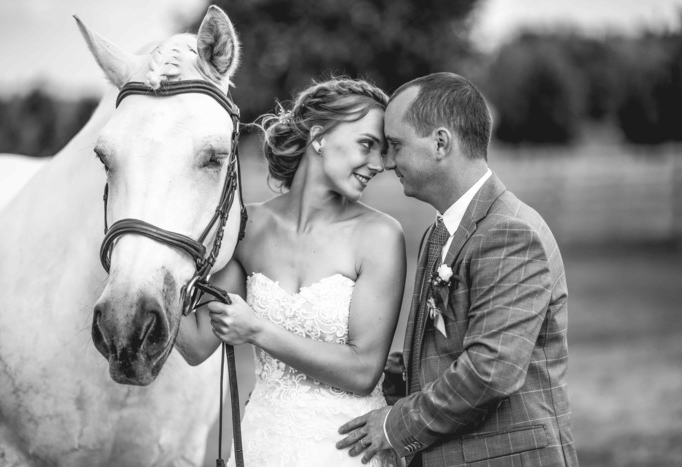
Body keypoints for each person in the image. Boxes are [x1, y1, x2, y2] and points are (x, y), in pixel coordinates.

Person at [337, 72, 579, 466]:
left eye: (396, 145)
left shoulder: (509, 232)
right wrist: (352, 375)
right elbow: (440, 351)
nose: (387, 162)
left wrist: (394, 426)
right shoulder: (440, 232)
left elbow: (490, 370)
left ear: (440, 143)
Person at [175, 77, 406, 467]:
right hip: (262, 446)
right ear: (319, 137)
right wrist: (151, 265)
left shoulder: (380, 236)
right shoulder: (249, 228)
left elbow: (363, 370)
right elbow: (197, 344)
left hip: (346, 453)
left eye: (383, 151)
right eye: (367, 144)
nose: (379, 165)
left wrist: (257, 330)